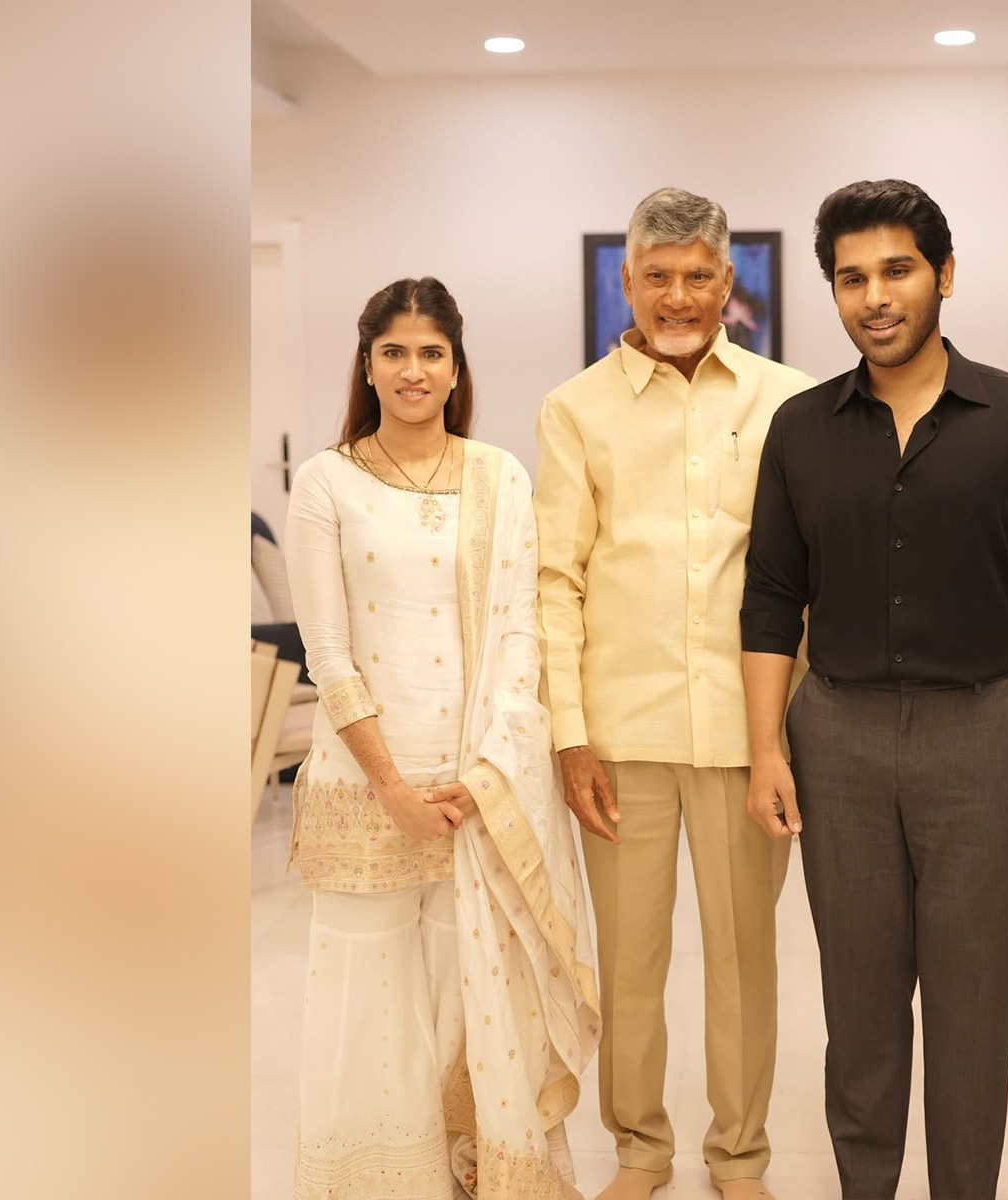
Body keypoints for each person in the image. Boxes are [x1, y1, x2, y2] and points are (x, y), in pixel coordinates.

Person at [532, 188, 1008, 1200]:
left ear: (728, 282)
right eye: (655, 276)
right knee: (648, 968)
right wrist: (570, 734)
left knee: (774, 969)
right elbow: (574, 581)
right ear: (626, 283)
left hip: (807, 736)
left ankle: (740, 1156)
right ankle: (643, 1153)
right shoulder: (593, 412)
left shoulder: (790, 399)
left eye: (698, 274)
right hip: (657, 729)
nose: (678, 294)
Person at [740, 179, 1008, 1200]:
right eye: (851, 277)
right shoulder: (801, 429)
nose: (874, 295)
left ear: (943, 275)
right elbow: (771, 597)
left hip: (986, 740)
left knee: (970, 1012)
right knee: (857, 1015)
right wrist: (768, 748)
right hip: (838, 744)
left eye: (896, 269)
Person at [285, 277, 599, 1199]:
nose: (413, 370)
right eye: (395, 352)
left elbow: (518, 636)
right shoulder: (326, 480)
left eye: (432, 352)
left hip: (475, 788)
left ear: (456, 366)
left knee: (471, 990)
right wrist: (388, 783)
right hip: (364, 785)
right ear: (368, 365)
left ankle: (472, 1173)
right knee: (371, 996)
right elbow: (327, 649)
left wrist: (491, 773)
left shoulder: (497, 474)